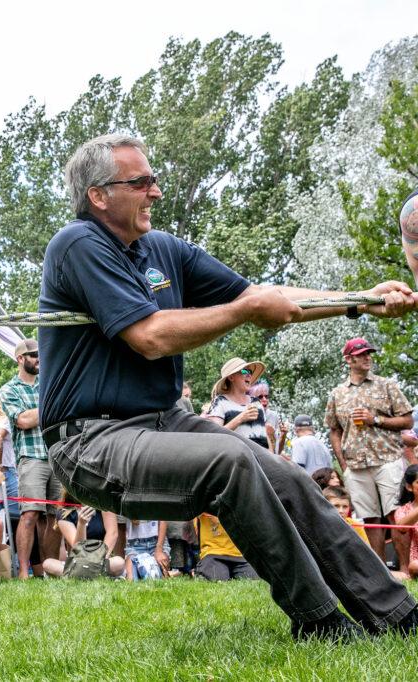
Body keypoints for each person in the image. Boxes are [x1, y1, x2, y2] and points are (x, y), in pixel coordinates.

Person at [39, 132, 418, 641]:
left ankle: (397, 615)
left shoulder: (161, 249)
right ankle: (319, 621)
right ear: (98, 196)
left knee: (287, 477)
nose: (155, 192)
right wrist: (243, 313)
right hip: (91, 441)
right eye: (141, 181)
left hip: (163, 423)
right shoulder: (78, 243)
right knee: (231, 461)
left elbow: (263, 297)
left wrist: (359, 300)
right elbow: (149, 338)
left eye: (155, 179)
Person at [325, 338, 412, 569]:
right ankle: (381, 571)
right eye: (362, 354)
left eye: (369, 353)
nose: (367, 357)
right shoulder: (337, 393)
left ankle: (404, 569)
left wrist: (376, 419)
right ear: (349, 359)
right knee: (371, 518)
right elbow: (334, 430)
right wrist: (343, 464)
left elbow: (407, 420)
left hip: (388, 459)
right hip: (355, 465)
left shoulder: (386, 385)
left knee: (396, 515)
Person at [1, 338, 60, 579]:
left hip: (56, 456)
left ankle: (51, 568)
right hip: (30, 457)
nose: (39, 358)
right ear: (20, 359)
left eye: (40, 354)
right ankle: (24, 572)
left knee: (55, 516)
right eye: (34, 354)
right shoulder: (9, 389)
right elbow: (23, 421)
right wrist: (51, 406)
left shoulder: (48, 384)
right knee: (30, 514)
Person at [206, 357, 269, 450]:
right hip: (239, 461)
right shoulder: (220, 402)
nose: (249, 375)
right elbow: (214, 435)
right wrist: (241, 418)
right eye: (244, 371)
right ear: (231, 377)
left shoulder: (256, 402)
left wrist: (273, 458)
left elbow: (265, 436)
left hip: (263, 460)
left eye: (250, 372)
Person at [195, 513, 258, 581]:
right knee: (216, 580)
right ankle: (199, 570)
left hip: (241, 555)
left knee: (253, 580)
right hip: (213, 553)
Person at [392, 465, 418, 578]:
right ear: (409, 487)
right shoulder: (403, 510)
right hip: (416, 563)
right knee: (415, 566)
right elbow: (402, 527)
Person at [250, 381, 287, 454]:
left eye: (266, 396)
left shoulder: (273, 415)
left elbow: (277, 451)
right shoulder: (248, 415)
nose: (264, 399)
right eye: (260, 397)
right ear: (252, 399)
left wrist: (283, 435)